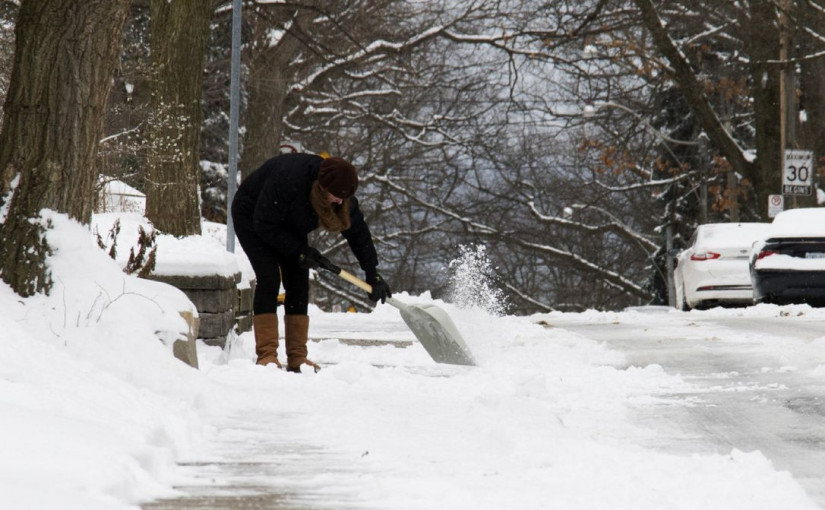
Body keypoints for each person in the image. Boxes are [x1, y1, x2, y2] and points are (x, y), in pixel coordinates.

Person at [231, 153, 391, 372]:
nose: (340, 202)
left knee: (298, 280)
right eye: (337, 197)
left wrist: (372, 273)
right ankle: (266, 355)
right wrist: (299, 251)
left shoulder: (340, 192)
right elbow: (264, 224)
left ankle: (297, 357)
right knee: (269, 277)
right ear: (322, 188)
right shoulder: (289, 179)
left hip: (289, 223)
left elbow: (358, 233)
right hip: (253, 216)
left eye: (345, 198)